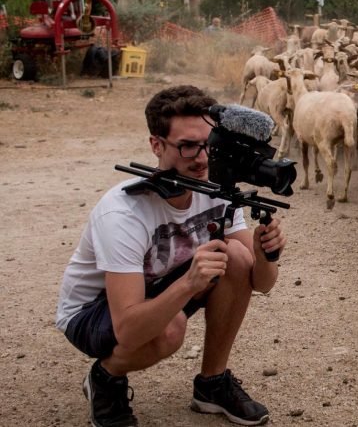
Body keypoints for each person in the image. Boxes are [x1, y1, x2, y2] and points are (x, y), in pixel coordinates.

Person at [55, 85, 286, 427]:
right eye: (188, 146)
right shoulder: (124, 212)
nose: (202, 157)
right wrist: (190, 284)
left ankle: (211, 384)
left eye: (209, 144)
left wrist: (266, 252)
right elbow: (130, 330)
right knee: (169, 329)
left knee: (236, 255)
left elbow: (261, 283)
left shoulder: (215, 190)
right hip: (94, 310)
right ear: (156, 145)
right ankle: (105, 379)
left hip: (159, 290)